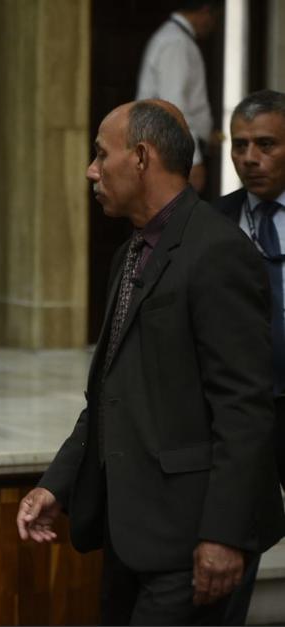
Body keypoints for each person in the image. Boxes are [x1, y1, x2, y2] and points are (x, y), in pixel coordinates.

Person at [15, 99, 285, 625]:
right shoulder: (131, 252)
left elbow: (244, 410)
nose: (92, 171)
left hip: (190, 538)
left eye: (100, 155)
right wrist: (57, 483)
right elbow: (111, 395)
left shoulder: (217, 252)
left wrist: (223, 536)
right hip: (131, 531)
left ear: (140, 157)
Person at [214, 89, 285, 625]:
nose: (249, 158)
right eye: (240, 145)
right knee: (235, 544)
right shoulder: (214, 223)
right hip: (245, 413)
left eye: (266, 144)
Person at [136, 0, 222, 192]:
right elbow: (174, 105)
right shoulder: (176, 42)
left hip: (173, 146)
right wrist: (193, 159)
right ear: (205, 10)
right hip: (169, 150)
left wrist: (207, 135)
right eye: (215, 18)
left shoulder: (177, 38)